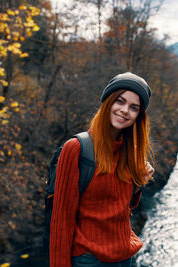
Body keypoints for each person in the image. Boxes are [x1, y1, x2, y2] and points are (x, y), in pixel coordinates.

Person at [50, 72, 155, 267]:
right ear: (108, 102)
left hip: (125, 258)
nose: (125, 111)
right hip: (89, 260)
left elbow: (119, 207)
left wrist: (139, 183)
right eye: (120, 101)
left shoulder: (130, 153)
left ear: (138, 116)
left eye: (133, 108)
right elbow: (61, 221)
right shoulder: (77, 149)